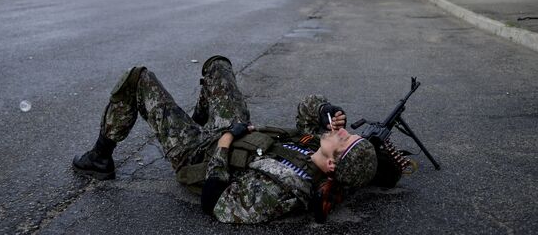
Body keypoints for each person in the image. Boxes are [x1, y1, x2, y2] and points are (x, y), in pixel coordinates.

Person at [72, 56, 378, 223]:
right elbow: (307, 109)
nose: (342, 130)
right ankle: (192, 123)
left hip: (198, 154)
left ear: (333, 164)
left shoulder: (283, 189)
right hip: (228, 133)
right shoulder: (312, 148)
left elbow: (213, 202)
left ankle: (100, 157)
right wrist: (327, 110)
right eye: (346, 130)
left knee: (137, 78)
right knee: (217, 65)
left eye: (344, 138)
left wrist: (226, 141)